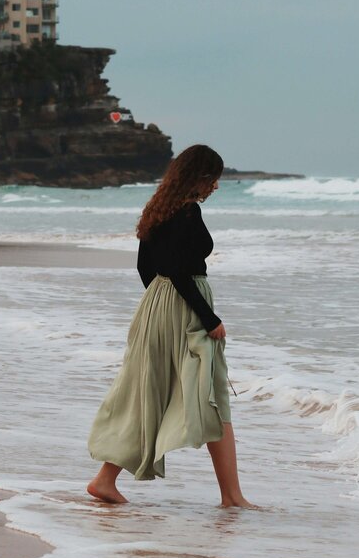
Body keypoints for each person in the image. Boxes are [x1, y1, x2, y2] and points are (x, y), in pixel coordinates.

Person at [87, 144, 254, 508]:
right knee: (214, 396)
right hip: (185, 306)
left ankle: (105, 480)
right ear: (200, 177)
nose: (216, 187)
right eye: (214, 180)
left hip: (156, 308)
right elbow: (179, 271)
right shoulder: (188, 212)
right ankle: (232, 497)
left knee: (147, 393)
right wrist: (207, 318)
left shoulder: (158, 208)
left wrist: (160, 305)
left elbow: (146, 267)